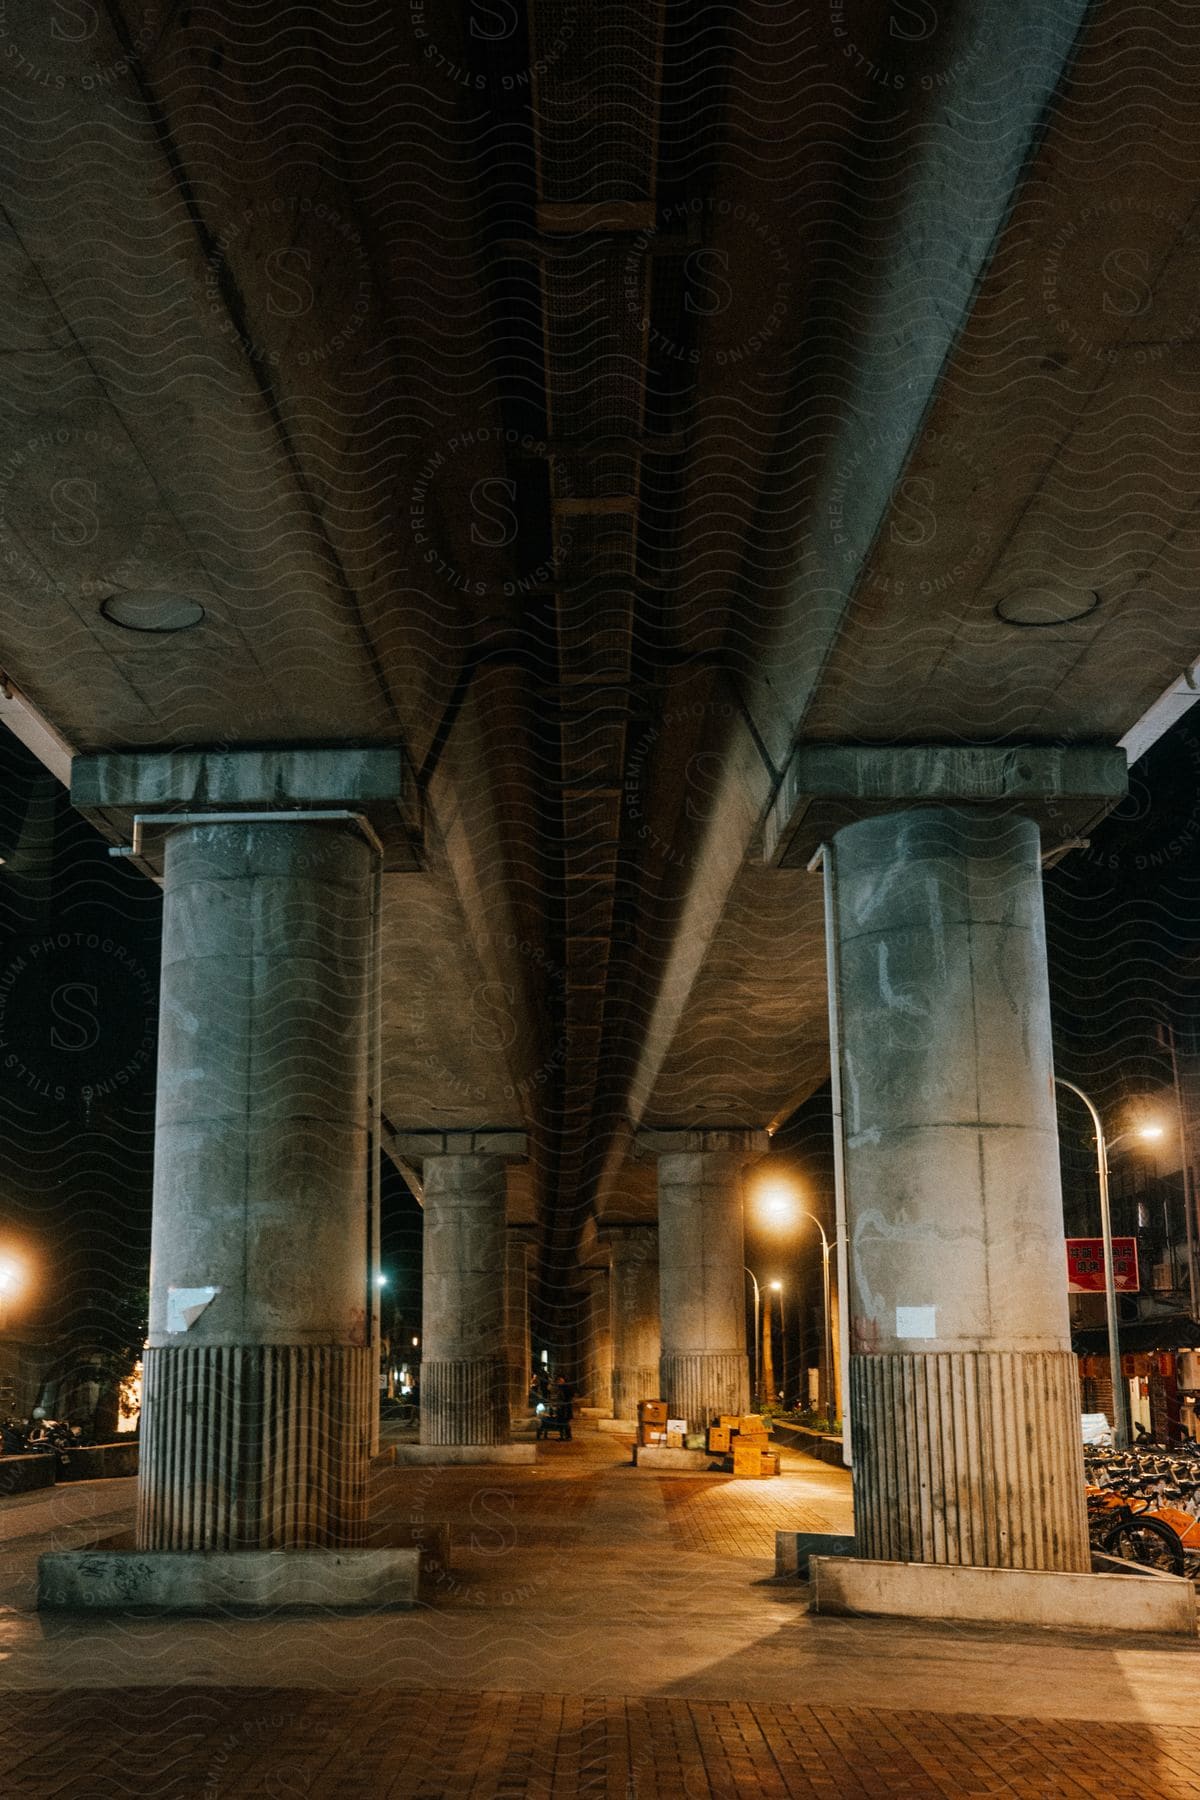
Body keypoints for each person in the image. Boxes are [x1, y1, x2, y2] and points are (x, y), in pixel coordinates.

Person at [553, 1374, 574, 1441]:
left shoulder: (567, 1387)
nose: (559, 1382)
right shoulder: (561, 1388)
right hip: (562, 1408)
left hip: (565, 1408)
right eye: (558, 1381)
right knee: (561, 1422)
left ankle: (568, 1436)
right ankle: (562, 1436)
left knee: (565, 1423)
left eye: (560, 1380)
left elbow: (568, 1397)